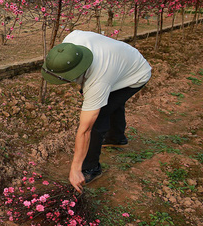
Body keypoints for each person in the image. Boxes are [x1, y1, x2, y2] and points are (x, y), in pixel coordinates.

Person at [41, 30, 152, 192]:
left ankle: (91, 167)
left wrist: (75, 168)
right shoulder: (69, 45)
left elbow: (85, 130)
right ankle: (117, 138)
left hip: (136, 74)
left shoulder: (98, 80)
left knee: (98, 118)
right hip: (121, 62)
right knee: (112, 103)